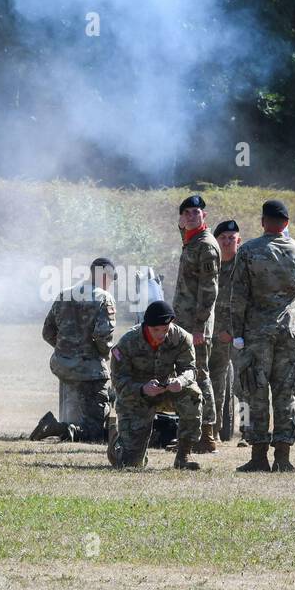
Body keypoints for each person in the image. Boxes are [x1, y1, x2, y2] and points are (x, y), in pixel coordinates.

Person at [229, 200, 295, 473]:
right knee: (285, 393)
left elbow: (238, 296)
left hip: (257, 333)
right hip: (288, 331)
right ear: (285, 223)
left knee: (255, 393)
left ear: (263, 221)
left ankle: (259, 455)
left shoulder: (249, 251)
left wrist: (237, 332)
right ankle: (283, 457)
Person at [107, 300, 202, 470]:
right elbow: (119, 381)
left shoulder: (182, 338)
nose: (161, 335)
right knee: (131, 465)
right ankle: (117, 444)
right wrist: (142, 389)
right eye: (155, 330)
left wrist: (180, 381)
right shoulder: (128, 342)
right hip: (137, 398)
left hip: (167, 392)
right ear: (146, 326)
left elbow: (190, 370)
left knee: (192, 394)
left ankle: (183, 456)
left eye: (165, 330)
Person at [31, 258, 117, 444]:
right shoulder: (104, 298)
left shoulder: (64, 294)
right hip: (90, 370)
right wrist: (102, 355)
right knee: (96, 432)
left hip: (62, 365)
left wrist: (66, 350)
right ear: (105, 276)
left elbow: (47, 332)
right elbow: (103, 335)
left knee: (73, 409)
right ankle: (55, 427)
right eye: (111, 278)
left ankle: (64, 425)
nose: (110, 284)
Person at [173, 194, 221, 453]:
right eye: (187, 212)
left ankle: (207, 435)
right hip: (184, 324)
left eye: (196, 212)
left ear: (204, 216)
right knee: (188, 374)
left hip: (196, 326)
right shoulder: (191, 241)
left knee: (200, 375)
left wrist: (199, 326)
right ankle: (190, 434)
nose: (191, 216)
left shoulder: (206, 246)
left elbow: (209, 290)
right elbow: (182, 230)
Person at [210, 220, 242, 444]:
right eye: (223, 238)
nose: (228, 241)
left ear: (238, 240)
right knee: (216, 383)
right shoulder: (211, 264)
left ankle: (249, 432)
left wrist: (232, 331)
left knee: (246, 385)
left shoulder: (245, 265)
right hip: (215, 336)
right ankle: (215, 429)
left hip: (241, 335)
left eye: (232, 238)